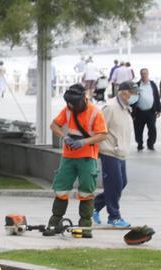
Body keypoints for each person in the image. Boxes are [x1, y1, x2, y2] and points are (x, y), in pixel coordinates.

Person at [46, 83, 109, 234]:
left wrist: (83, 142)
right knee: (61, 189)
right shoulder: (68, 109)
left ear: (83, 99)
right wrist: (64, 136)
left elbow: (103, 134)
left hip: (87, 157)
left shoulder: (95, 112)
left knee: (86, 191)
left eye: (74, 103)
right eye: (69, 104)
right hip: (68, 157)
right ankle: (55, 222)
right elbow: (54, 125)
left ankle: (85, 226)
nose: (71, 106)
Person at [94, 81, 135, 228]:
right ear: (124, 93)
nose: (135, 96)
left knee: (121, 183)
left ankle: (95, 205)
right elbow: (98, 128)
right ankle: (114, 216)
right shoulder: (110, 107)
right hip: (109, 151)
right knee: (115, 183)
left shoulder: (125, 108)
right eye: (133, 93)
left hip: (120, 152)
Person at [133, 68, 159, 151]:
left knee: (152, 129)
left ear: (148, 74)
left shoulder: (153, 84)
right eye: (142, 74)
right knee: (138, 130)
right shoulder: (136, 85)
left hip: (151, 111)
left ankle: (150, 144)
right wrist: (131, 112)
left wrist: (159, 109)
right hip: (139, 112)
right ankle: (140, 144)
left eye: (145, 73)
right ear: (140, 75)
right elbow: (132, 99)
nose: (143, 75)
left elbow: (156, 97)